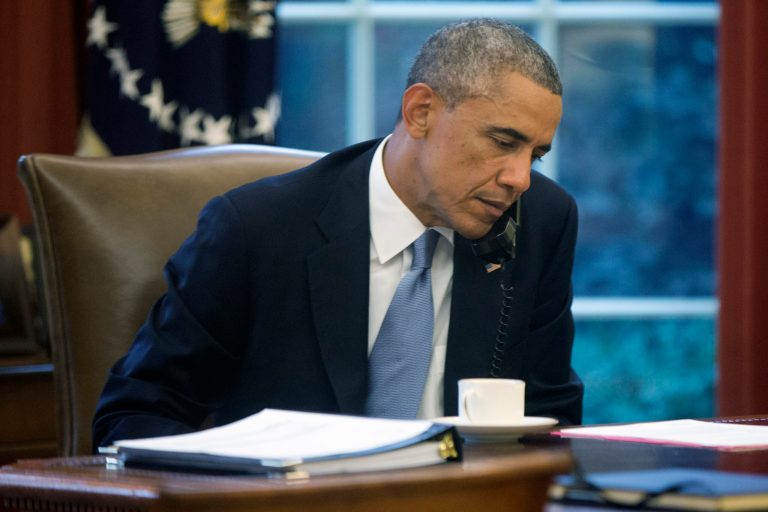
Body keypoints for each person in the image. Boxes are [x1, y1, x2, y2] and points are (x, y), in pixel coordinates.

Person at [92, 18, 583, 450]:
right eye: (503, 142)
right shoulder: (257, 230)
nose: (519, 178)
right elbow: (134, 415)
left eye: (534, 155)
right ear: (421, 112)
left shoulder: (542, 220)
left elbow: (550, 416)